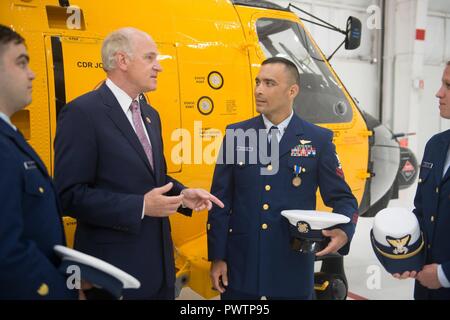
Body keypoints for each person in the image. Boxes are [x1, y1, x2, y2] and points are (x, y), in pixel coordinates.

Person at [53, 27, 223, 300]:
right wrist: (141, 206)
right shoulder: (81, 114)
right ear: (122, 61)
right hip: (114, 274)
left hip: (160, 272)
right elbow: (68, 195)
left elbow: (154, 178)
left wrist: (181, 196)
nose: (159, 67)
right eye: (150, 58)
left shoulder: (150, 114)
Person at [207, 57, 358, 300]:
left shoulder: (318, 140)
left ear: (292, 91)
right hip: (241, 267)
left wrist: (344, 231)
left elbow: (343, 198)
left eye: (269, 83)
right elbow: (220, 203)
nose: (258, 90)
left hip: (292, 270)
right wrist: (217, 257)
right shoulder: (237, 134)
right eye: (257, 82)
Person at [0, 24, 78, 299]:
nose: (32, 73)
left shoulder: (9, 136)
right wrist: (63, 292)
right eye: (21, 63)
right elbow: (7, 252)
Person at [394, 61, 450, 300]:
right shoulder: (435, 146)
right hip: (425, 288)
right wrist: (405, 254)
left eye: (448, 85)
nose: (439, 93)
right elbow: (423, 211)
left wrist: (445, 275)